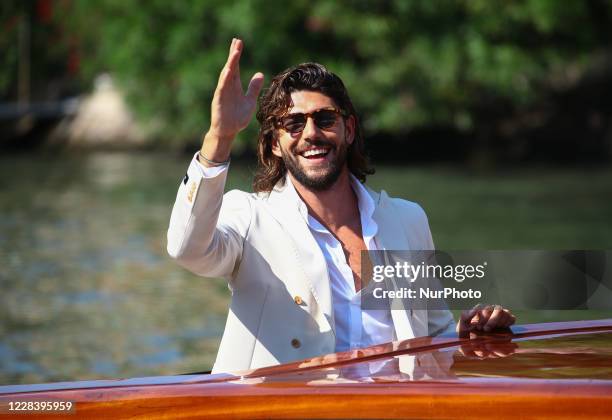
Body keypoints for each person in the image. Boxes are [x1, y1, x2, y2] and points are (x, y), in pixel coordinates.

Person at [167, 38, 515, 373]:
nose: (310, 133)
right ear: (275, 143)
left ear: (348, 129)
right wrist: (220, 137)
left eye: (324, 119)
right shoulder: (249, 217)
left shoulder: (407, 220)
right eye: (293, 123)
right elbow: (187, 249)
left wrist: (466, 337)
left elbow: (433, 341)